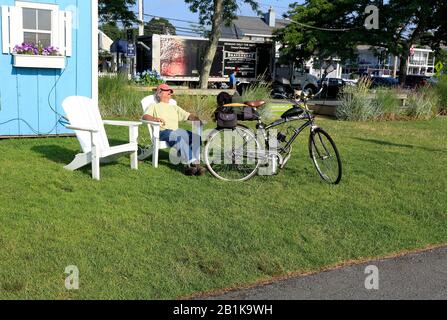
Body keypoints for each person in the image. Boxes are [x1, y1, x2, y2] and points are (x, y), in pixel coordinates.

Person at [142, 84, 205, 176]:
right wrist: (155, 119)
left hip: (176, 131)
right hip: (163, 132)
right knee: (176, 136)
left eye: (170, 91)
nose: (169, 93)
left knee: (196, 137)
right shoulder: (154, 106)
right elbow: (145, 116)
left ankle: (189, 166)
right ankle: (195, 163)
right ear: (159, 93)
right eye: (166, 91)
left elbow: (187, 115)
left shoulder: (174, 107)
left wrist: (196, 118)